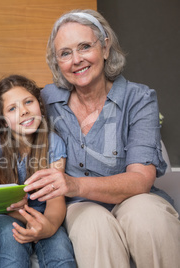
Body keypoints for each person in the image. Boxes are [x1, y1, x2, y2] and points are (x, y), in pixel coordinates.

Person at [20, 9, 180, 267]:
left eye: (84, 47)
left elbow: (140, 179)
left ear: (105, 48)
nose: (76, 60)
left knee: (150, 219)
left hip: (134, 198)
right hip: (80, 207)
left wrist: (74, 184)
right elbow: (9, 120)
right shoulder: (46, 100)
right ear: (57, 61)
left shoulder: (139, 99)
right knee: (93, 226)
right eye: (65, 53)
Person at [0, 75, 76, 268]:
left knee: (60, 251)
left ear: (40, 106)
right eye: (12, 109)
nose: (24, 111)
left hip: (44, 213)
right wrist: (19, 213)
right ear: (4, 120)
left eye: (28, 102)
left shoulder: (53, 143)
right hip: (5, 215)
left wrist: (47, 226)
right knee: (12, 244)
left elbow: (56, 199)